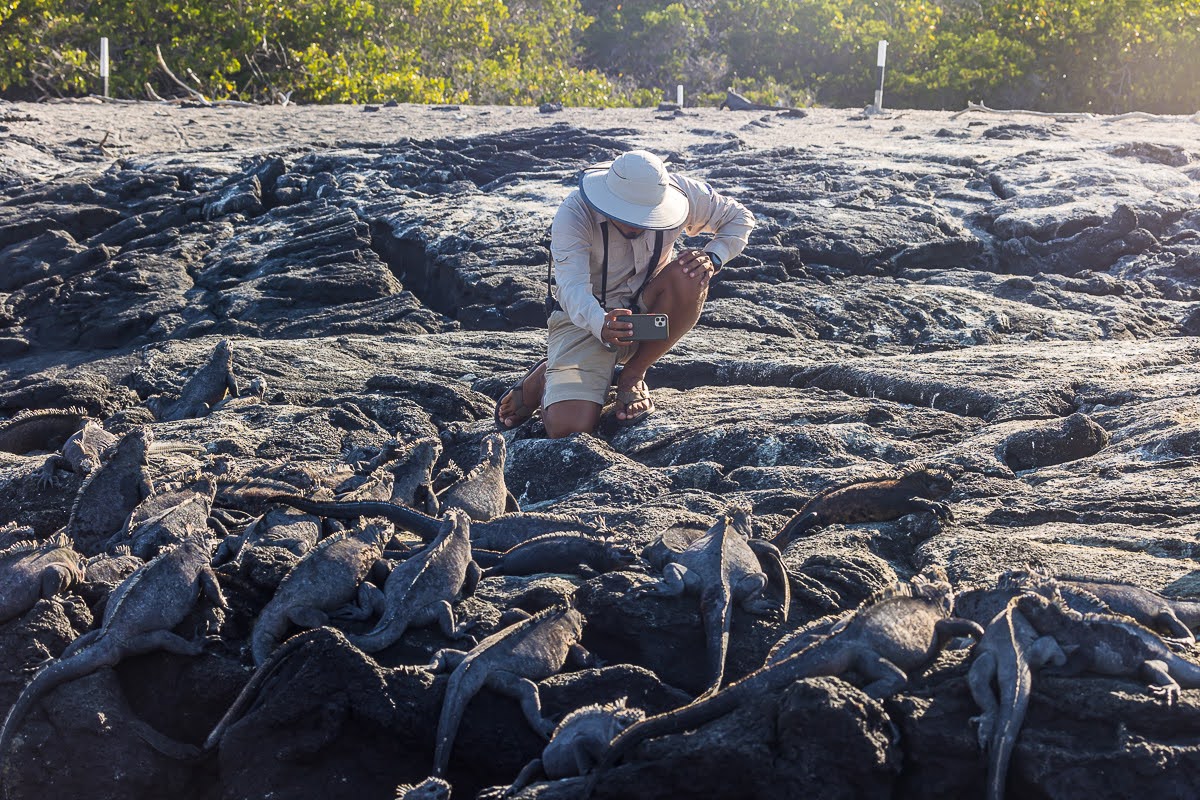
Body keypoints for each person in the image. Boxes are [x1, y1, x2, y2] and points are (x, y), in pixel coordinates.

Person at [495, 149, 755, 438]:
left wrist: (714, 257)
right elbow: (572, 289)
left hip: (646, 320)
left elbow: (739, 216)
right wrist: (601, 323)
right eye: (626, 214)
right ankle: (546, 376)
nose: (637, 223)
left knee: (691, 272)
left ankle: (633, 373)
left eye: (647, 215)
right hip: (585, 322)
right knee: (569, 427)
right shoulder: (575, 212)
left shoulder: (681, 195)